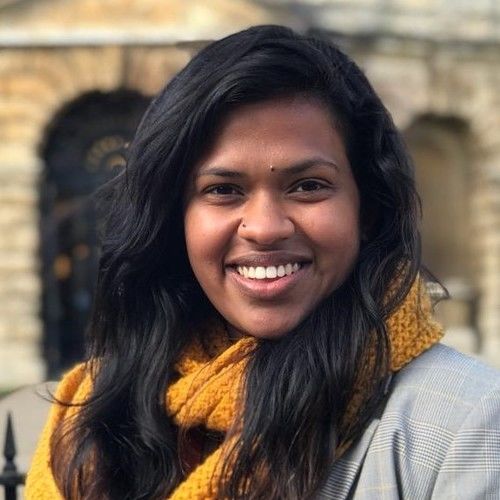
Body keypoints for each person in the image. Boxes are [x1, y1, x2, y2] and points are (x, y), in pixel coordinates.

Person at [26, 25, 500, 499]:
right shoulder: (89, 413)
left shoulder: (466, 423)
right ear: (174, 218)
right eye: (223, 190)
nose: (265, 228)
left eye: (308, 186)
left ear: (368, 209)